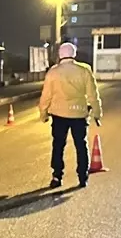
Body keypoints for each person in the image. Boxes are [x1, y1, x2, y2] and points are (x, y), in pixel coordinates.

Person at [38, 42, 102, 189]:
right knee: (81, 144)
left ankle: (57, 176)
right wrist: (97, 113)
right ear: (74, 54)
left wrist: (43, 114)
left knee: (58, 145)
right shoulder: (84, 70)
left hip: (59, 115)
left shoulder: (53, 72)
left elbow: (46, 96)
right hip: (79, 114)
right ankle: (82, 177)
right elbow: (93, 95)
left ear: (60, 55)